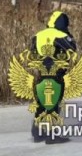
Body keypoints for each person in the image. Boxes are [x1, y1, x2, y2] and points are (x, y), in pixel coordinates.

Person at [30, 10, 77, 144]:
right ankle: (52, 135)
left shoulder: (38, 35)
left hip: (41, 73)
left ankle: (37, 132)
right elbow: (72, 48)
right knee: (54, 104)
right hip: (56, 73)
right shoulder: (60, 35)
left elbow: (33, 51)